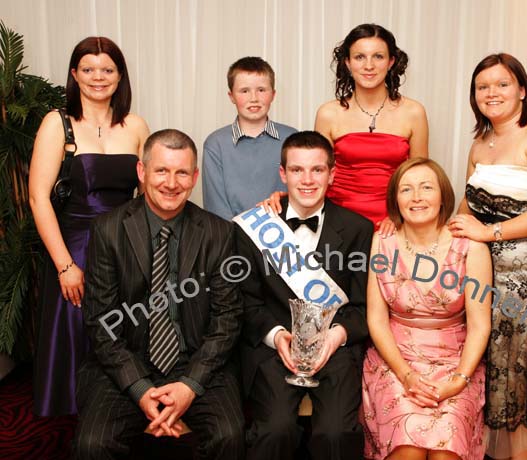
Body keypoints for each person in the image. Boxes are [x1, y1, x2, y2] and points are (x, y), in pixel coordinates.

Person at [73, 129, 245, 460]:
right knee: (92, 443)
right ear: (142, 172)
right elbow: (100, 323)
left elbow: (227, 319)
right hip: (125, 360)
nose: (171, 183)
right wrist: (140, 389)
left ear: (195, 177)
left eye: (182, 172)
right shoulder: (108, 230)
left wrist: (189, 386)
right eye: (161, 171)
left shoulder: (219, 233)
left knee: (229, 435)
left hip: (196, 361)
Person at [448, 53, 527, 459]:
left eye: (502, 84)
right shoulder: (481, 142)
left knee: (520, 375)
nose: (491, 93)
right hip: (486, 273)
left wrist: (489, 232)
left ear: (521, 90)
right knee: (492, 368)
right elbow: (469, 205)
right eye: (482, 86)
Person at [29, 36, 149, 416]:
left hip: (126, 246)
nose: (99, 77)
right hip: (75, 248)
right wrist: (65, 265)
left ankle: (123, 412)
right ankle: (80, 422)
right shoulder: (56, 123)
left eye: (108, 69)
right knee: (77, 336)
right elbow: (38, 198)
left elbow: (149, 195)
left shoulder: (136, 125)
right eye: (89, 69)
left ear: (120, 76)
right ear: (74, 74)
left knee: (124, 334)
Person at [234, 131, 373, 460]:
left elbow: (362, 307)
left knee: (335, 434)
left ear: (332, 174)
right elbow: (246, 303)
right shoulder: (255, 228)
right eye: (297, 170)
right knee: (274, 431)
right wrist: (278, 337)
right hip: (274, 351)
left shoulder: (359, 229)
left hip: (335, 349)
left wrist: (335, 337)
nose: (307, 180)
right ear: (282, 174)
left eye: (317, 170)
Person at [362, 158, 492, 460]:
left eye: (426, 187)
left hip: (456, 362)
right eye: (406, 189)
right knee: (407, 449)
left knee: (445, 451)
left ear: (443, 195)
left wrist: (458, 380)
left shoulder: (470, 246)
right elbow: (376, 320)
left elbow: (480, 326)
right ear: (395, 198)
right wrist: (406, 375)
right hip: (395, 361)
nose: (416, 197)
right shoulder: (382, 242)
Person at [262, 23, 428, 227]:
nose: (369, 65)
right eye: (360, 57)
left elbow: (420, 178)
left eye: (378, 56)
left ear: (391, 61)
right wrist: (288, 197)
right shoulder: (328, 113)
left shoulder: (414, 112)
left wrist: (399, 218)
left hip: (394, 222)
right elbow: (317, 171)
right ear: (348, 63)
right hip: (339, 222)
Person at [202, 56, 297, 220]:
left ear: (273, 94)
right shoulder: (216, 144)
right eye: (244, 91)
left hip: (286, 235)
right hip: (232, 238)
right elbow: (216, 209)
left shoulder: (292, 138)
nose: (254, 98)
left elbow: (300, 195)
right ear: (231, 96)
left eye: (261, 90)